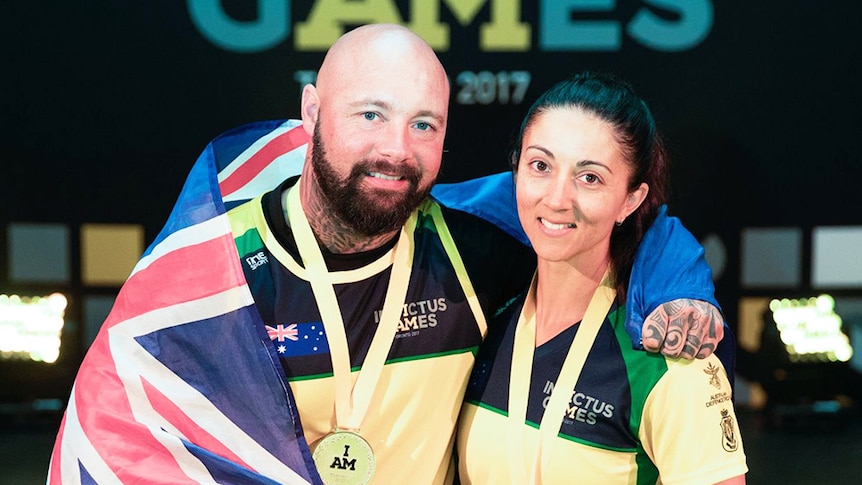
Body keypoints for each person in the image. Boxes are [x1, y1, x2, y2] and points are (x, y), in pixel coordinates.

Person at [49, 25, 726, 485]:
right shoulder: (212, 273)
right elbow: (128, 437)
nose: (396, 149)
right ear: (310, 112)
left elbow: (606, 223)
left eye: (423, 124)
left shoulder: (472, 245)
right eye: (369, 114)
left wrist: (679, 280)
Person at [456, 72, 747, 484]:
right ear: (515, 174)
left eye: (589, 177)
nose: (557, 199)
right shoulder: (482, 321)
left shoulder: (668, 354)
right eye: (540, 165)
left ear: (631, 200)